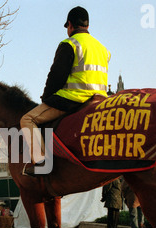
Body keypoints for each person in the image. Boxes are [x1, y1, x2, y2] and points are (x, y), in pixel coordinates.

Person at [21, 6, 110, 176]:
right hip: (100, 100)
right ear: (87, 26)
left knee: (27, 119)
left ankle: (42, 162)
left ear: (70, 25)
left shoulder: (70, 44)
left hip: (73, 99)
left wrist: (47, 98)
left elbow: (56, 76)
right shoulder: (103, 49)